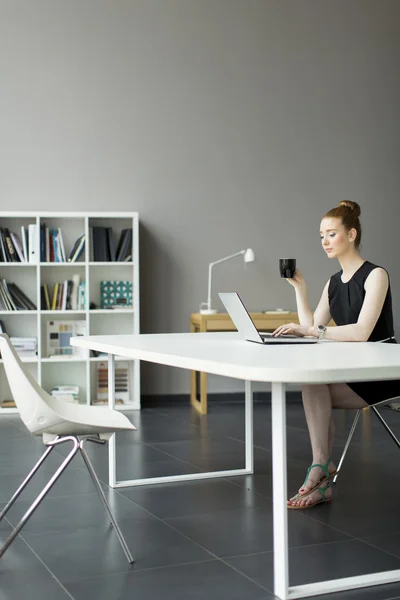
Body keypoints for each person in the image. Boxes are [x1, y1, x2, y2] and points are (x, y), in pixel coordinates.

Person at [272, 200, 399, 509]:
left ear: (351, 234)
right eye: (321, 236)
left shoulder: (375, 275)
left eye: (331, 234)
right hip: (353, 371)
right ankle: (321, 467)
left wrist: (311, 331)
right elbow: (312, 327)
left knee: (316, 387)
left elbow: (361, 333)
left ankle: (322, 475)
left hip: (382, 373)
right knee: (312, 383)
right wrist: (299, 289)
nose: (324, 242)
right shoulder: (332, 283)